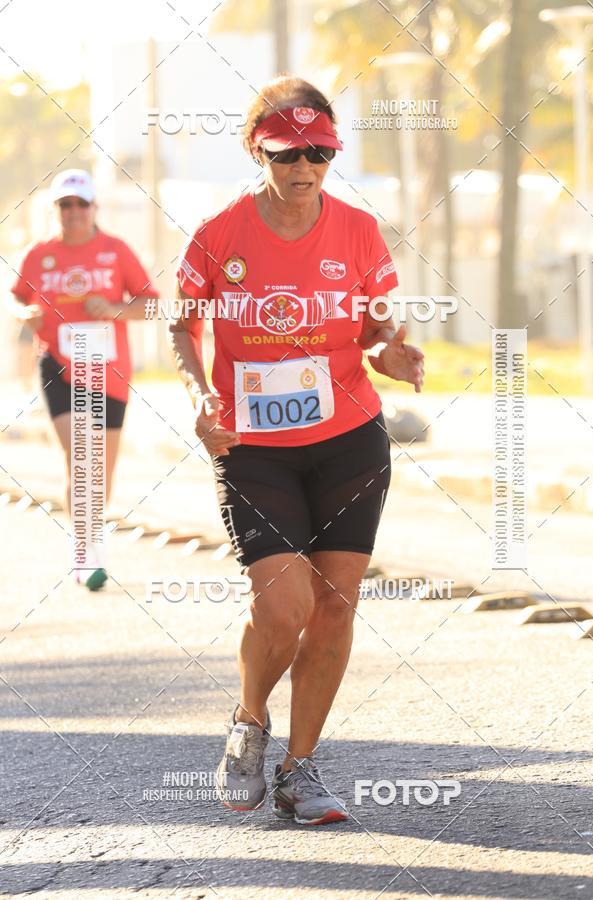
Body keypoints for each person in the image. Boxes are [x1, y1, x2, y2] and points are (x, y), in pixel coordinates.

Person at [169, 76, 424, 825]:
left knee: (336, 607)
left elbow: (377, 330)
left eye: (319, 153)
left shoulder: (358, 230)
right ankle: (250, 723)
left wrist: (392, 355)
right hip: (256, 447)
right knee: (285, 605)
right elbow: (181, 324)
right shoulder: (219, 232)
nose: (304, 168)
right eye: (287, 155)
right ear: (258, 150)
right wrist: (197, 396)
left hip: (349, 441)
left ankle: (300, 768)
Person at [9, 169, 158, 590]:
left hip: (106, 369)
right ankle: (85, 552)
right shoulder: (39, 254)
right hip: (58, 364)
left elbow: (152, 307)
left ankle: (91, 539)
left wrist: (113, 307)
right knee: (81, 458)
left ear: (94, 208)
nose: (73, 212)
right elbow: (17, 297)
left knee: (99, 472)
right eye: (64, 205)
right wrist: (27, 315)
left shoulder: (116, 250)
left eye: (80, 204)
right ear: (55, 210)